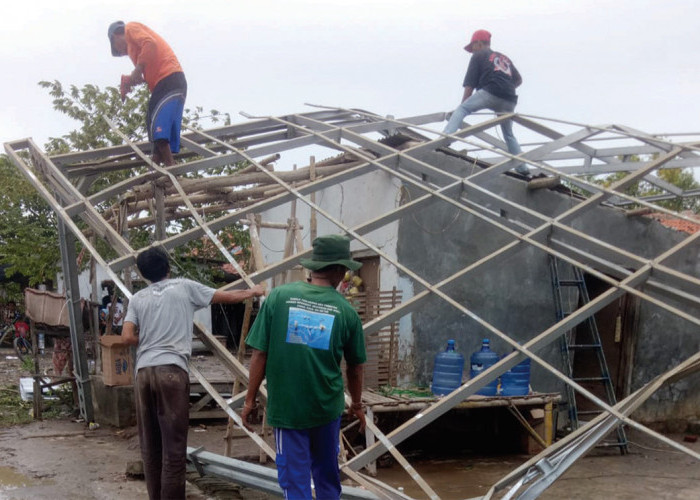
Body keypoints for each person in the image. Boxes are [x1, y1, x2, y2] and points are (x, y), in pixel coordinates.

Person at [122, 247, 265, 500]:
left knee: (151, 448)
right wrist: (253, 291)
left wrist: (151, 339)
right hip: (172, 371)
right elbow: (228, 297)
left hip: (143, 372)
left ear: (143, 274)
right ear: (168, 267)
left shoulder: (137, 298)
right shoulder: (184, 287)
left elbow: (127, 336)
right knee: (174, 450)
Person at [242, 234, 367, 500]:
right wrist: (357, 404)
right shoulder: (346, 312)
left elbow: (259, 354)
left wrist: (250, 400)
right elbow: (355, 368)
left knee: (294, 483)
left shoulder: (279, 297)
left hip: (288, 409)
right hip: (326, 408)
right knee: (327, 479)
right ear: (338, 270)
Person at [444, 29, 529, 175]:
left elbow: (469, 84)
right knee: (508, 134)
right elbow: (519, 80)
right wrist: (505, 87)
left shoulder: (479, 55)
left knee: (461, 110)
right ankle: (523, 168)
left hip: (490, 92)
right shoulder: (504, 58)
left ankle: (444, 141)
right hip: (509, 99)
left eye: (473, 47)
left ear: (478, 43)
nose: (472, 51)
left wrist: (463, 104)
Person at [107, 21, 187, 167]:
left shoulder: (130, 29)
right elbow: (145, 74)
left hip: (168, 77)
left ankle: (170, 164)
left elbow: (150, 43)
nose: (122, 53)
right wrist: (130, 80)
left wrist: (137, 69)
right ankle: (155, 164)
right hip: (167, 81)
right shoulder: (135, 53)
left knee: (157, 121)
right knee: (152, 120)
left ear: (116, 36)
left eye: (118, 49)